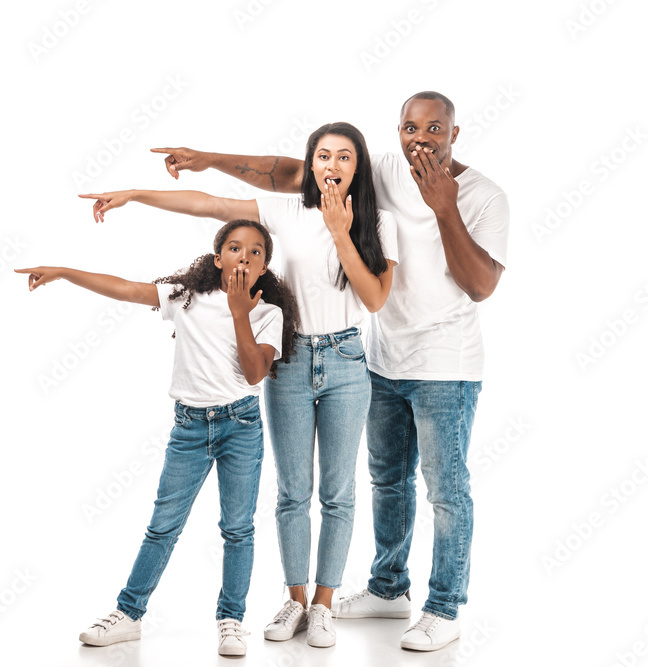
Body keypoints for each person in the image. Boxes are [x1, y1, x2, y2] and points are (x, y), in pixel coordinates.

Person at [149, 91, 510, 652]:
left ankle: (445, 606)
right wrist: (209, 157)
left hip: (445, 364)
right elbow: (288, 172)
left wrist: (444, 206)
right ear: (397, 132)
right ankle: (388, 588)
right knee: (384, 481)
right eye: (412, 128)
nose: (422, 139)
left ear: (454, 134)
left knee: (445, 489)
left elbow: (482, 286)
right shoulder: (382, 172)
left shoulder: (483, 195)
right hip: (382, 358)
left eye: (435, 129)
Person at [80, 122, 398, 648]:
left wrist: (342, 232)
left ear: (357, 166)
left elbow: (374, 301)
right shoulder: (283, 211)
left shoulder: (376, 222)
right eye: (323, 156)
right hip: (289, 360)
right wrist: (136, 195)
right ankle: (294, 601)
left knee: (337, 494)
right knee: (293, 492)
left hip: (345, 359)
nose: (332, 166)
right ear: (311, 162)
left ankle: (323, 604)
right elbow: (207, 205)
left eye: (344, 157)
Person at [17, 219, 298, 657]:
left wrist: (241, 313)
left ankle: (231, 619)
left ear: (264, 266)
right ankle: (129, 614)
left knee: (237, 528)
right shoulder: (186, 297)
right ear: (218, 255)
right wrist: (65, 272)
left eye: (256, 251)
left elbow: (253, 373)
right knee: (163, 526)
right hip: (189, 428)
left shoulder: (267, 313)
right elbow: (126, 288)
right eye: (235, 247)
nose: (245, 255)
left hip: (240, 427)